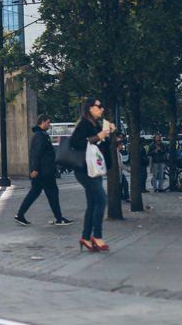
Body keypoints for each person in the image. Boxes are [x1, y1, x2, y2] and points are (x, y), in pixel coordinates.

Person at [70, 98, 113, 253]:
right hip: (85, 170)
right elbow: (75, 143)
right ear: (90, 108)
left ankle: (86, 238)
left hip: (94, 168)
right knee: (102, 199)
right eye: (99, 106)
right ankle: (97, 236)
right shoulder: (84, 124)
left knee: (93, 203)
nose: (102, 109)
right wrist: (98, 136)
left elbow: (102, 145)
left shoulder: (97, 124)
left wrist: (106, 134)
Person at [14, 115, 72, 226]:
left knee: (35, 193)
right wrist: (34, 169)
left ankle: (20, 215)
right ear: (42, 122)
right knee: (53, 193)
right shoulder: (40, 136)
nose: (49, 125)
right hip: (44, 171)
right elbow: (36, 154)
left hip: (41, 171)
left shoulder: (41, 135)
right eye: (48, 123)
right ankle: (59, 218)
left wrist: (35, 169)